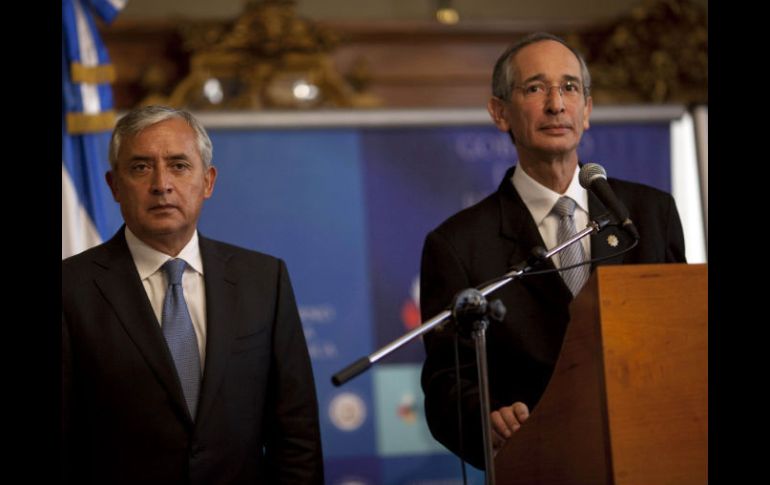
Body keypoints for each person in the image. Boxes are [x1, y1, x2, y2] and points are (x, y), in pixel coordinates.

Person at [419, 32, 686, 469]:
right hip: (541, 464)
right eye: (535, 88)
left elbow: (681, 340)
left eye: (569, 87)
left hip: (652, 458)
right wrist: (485, 420)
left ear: (587, 110)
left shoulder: (649, 213)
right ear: (499, 112)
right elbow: (449, 382)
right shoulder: (457, 245)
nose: (556, 104)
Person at [62, 105, 324, 484]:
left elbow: (296, 434)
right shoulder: (71, 288)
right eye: (140, 167)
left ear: (208, 181)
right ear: (113, 186)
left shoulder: (264, 280)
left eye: (179, 165)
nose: (161, 184)